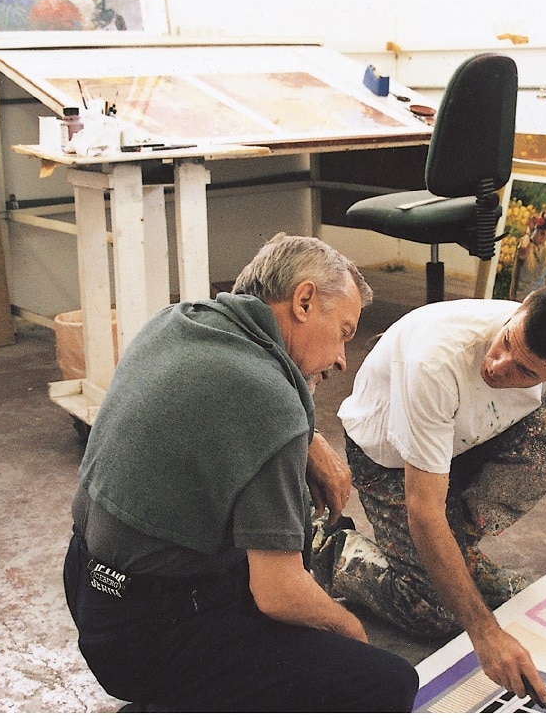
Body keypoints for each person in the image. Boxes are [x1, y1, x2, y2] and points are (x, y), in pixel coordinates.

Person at [63, 233, 419, 712]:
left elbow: (236, 396)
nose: (341, 359)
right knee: (386, 680)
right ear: (305, 300)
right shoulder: (270, 404)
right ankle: (176, 699)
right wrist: (350, 631)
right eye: (345, 332)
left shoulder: (175, 322)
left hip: (88, 588)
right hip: (143, 640)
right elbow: (277, 593)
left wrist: (309, 441)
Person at [316, 279, 546, 707]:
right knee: (435, 612)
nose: (498, 364)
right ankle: (328, 548)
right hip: (387, 459)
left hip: (466, 442)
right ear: (522, 308)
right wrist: (485, 633)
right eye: (507, 341)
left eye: (526, 370)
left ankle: (460, 553)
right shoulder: (435, 361)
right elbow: (425, 511)